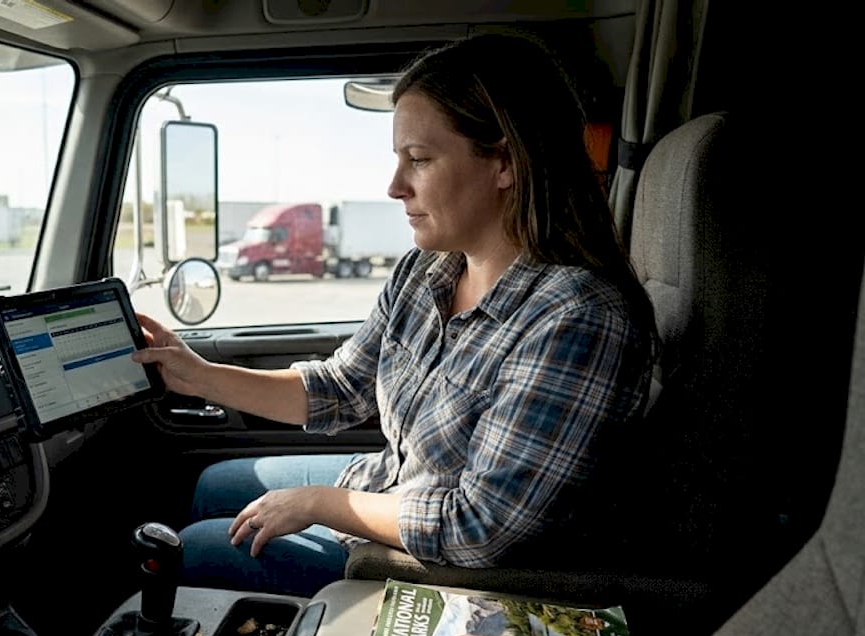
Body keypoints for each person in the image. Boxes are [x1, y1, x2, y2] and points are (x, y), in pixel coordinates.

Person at [132, 33, 658, 597]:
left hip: (449, 567)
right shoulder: (427, 272)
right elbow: (341, 387)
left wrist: (320, 505)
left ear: (505, 162)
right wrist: (195, 373)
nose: (394, 186)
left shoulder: (576, 317)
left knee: (202, 547)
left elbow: (480, 528)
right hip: (394, 488)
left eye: (420, 160)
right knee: (214, 485)